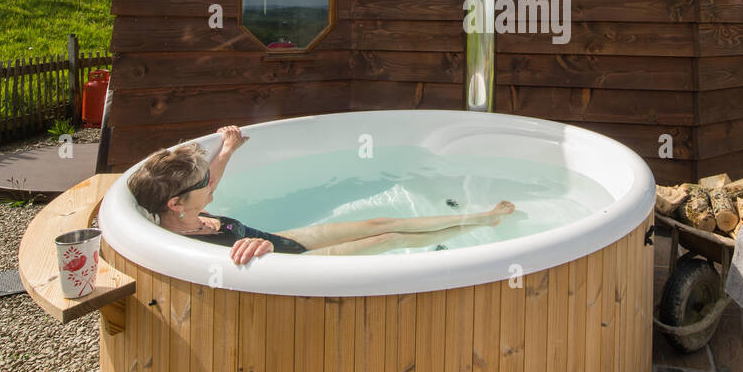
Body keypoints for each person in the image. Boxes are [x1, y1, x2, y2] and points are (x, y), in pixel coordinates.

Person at [127, 126, 514, 264]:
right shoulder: (184, 247)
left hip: (285, 240)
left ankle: (483, 217)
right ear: (176, 204)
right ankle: (475, 226)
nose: (210, 184)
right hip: (295, 262)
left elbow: (210, 180)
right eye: (202, 184)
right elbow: (232, 272)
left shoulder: (185, 210)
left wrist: (227, 148)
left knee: (382, 222)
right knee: (389, 238)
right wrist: (253, 254)